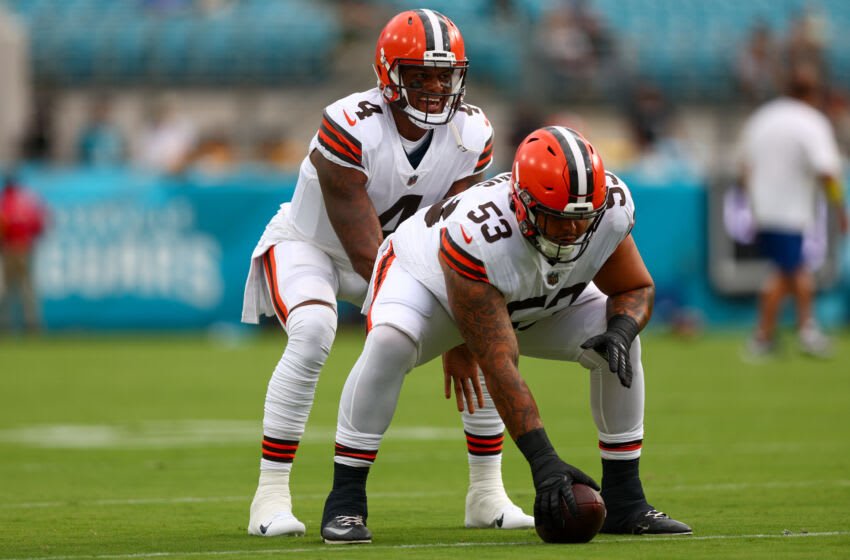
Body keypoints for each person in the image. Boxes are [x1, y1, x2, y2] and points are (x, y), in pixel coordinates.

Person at [320, 126, 692, 543]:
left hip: (529, 291)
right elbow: (497, 360)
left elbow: (634, 288)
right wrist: (543, 461)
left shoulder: (609, 208)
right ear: (523, 205)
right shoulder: (479, 234)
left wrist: (622, 331)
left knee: (617, 342)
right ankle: (346, 501)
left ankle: (625, 500)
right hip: (425, 280)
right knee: (390, 343)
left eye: (581, 219)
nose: (571, 233)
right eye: (558, 219)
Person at [241, 9, 532, 537]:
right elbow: (364, 251)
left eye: (445, 75)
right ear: (388, 73)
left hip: (402, 258)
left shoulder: (472, 133)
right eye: (420, 74)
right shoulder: (349, 124)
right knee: (311, 332)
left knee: (488, 326)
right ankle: (270, 497)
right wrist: (429, 321)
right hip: (314, 247)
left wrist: (464, 326)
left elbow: (457, 238)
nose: (435, 87)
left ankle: (487, 492)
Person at [738, 61, 848, 359]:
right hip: (790, 210)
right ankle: (769, 337)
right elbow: (828, 172)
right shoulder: (811, 121)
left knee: (791, 271)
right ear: (814, 93)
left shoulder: (763, 117)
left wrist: (752, 203)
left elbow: (744, 167)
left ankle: (798, 331)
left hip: (765, 208)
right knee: (789, 271)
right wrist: (840, 209)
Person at [0, 173, 48, 334]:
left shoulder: (4, 202)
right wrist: (30, 238)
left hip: (8, 249)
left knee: (7, 290)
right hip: (26, 248)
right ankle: (32, 326)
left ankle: (5, 326)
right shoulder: (28, 202)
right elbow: (40, 223)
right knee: (28, 289)